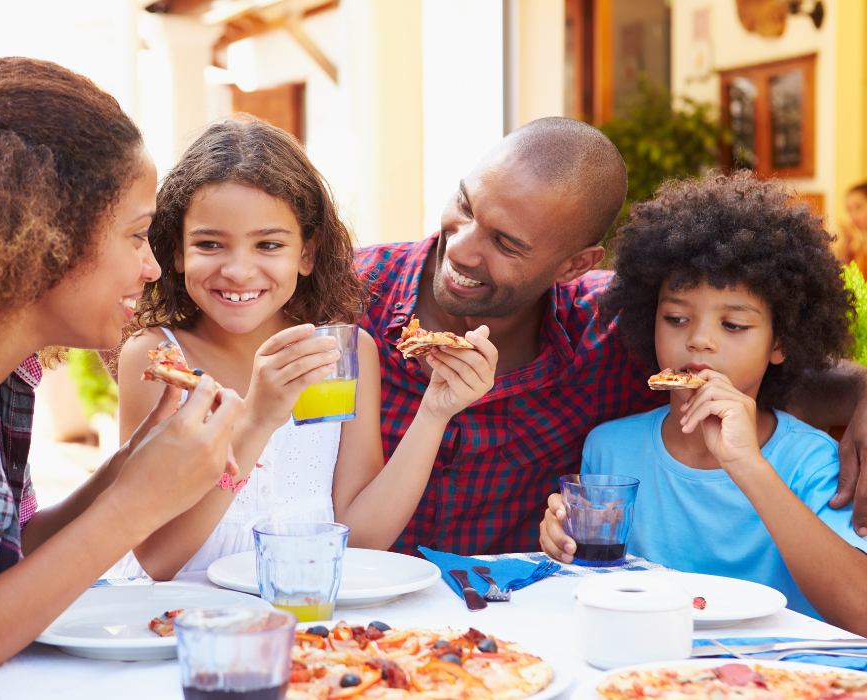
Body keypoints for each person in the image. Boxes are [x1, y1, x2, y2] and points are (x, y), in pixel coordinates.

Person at [0, 60, 243, 699]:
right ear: (46, 239)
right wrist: (134, 508)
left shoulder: (3, 375)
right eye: (135, 236)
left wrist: (128, 467)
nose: (153, 268)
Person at [357, 116, 867, 557]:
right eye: (465, 206)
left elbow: (764, 372)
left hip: (511, 637)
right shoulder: (350, 297)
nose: (463, 251)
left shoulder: (618, 334)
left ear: (574, 265)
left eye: (506, 243)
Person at [112, 117, 497, 581]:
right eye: (210, 244)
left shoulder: (340, 355)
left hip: (304, 618)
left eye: (268, 244)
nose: (238, 270)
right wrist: (255, 421)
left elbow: (359, 537)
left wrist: (435, 412)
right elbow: (160, 558)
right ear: (175, 251)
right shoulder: (159, 361)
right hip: (175, 621)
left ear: (307, 252)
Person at [538, 172, 867, 634]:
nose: (699, 340)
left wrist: (746, 464)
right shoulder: (609, 448)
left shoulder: (811, 461)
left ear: (781, 342)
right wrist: (561, 544)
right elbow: (600, 589)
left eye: (733, 325)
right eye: (676, 317)